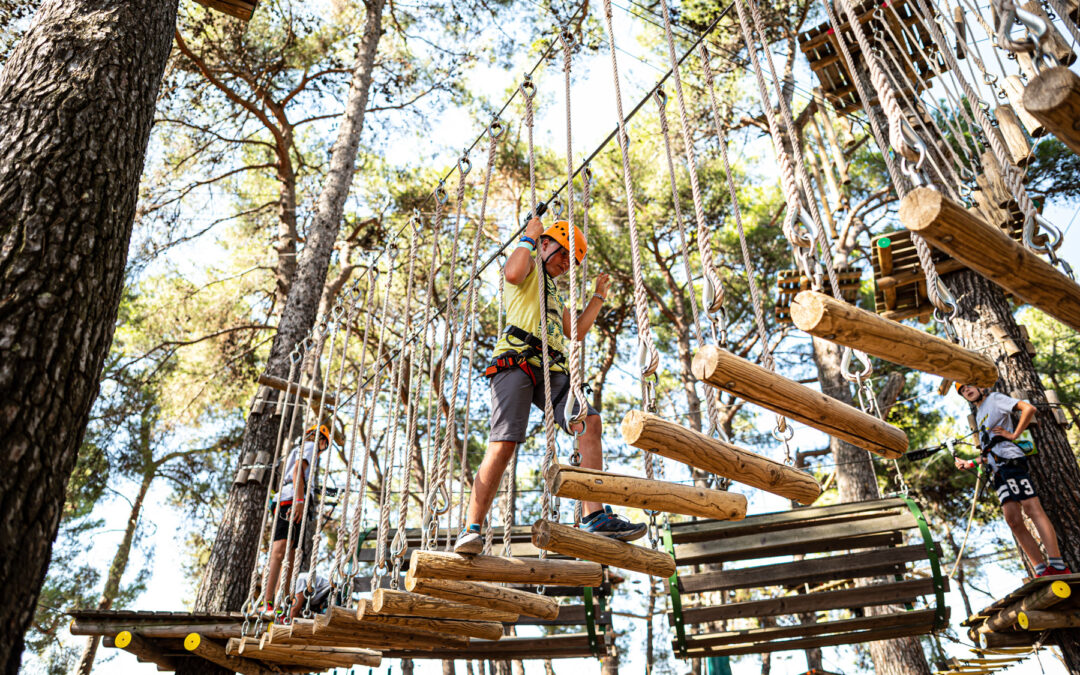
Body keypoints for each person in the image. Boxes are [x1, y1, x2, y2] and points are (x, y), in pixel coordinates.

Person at [453, 216, 647, 556]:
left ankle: (594, 515)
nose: (565, 266)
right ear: (545, 245)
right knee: (504, 444)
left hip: (551, 366)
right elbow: (511, 273)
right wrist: (529, 237)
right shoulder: (527, 267)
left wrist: (598, 297)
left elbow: (577, 330)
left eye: (572, 262)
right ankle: (472, 528)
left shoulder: (554, 293)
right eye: (562, 256)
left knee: (589, 421)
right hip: (516, 360)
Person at [953, 383, 1070, 576]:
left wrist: (1014, 435)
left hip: (1011, 460)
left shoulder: (994, 399)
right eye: (962, 391)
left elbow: (1028, 408)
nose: (966, 390)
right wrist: (970, 463)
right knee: (1013, 520)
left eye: (969, 386)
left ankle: (1057, 565)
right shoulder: (980, 414)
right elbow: (990, 448)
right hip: (997, 468)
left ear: (980, 387)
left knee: (1031, 508)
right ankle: (1041, 569)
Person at [264, 424, 331, 610]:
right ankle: (268, 601)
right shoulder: (310, 447)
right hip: (291, 499)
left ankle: (279, 602)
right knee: (281, 550)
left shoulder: (303, 448)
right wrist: (299, 500)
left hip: (292, 498)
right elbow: (297, 472)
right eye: (324, 445)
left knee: (291, 556)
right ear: (322, 442)